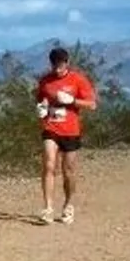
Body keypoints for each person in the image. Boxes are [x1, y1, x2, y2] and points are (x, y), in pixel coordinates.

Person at [33, 46, 97, 224]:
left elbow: (92, 105)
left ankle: (69, 205)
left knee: (68, 171)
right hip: (51, 127)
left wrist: (73, 101)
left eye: (60, 65)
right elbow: (40, 100)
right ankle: (47, 208)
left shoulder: (78, 79)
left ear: (67, 63)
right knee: (49, 164)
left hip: (71, 130)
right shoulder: (45, 81)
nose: (57, 68)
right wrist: (42, 109)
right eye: (54, 65)